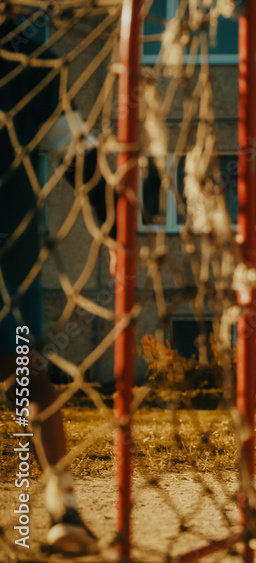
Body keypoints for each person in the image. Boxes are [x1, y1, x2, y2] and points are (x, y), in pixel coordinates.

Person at [0, 15, 98, 555]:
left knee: (25, 373)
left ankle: (66, 509)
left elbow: (71, 145)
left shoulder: (25, 54)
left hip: (11, 257)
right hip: (15, 255)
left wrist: (110, 195)